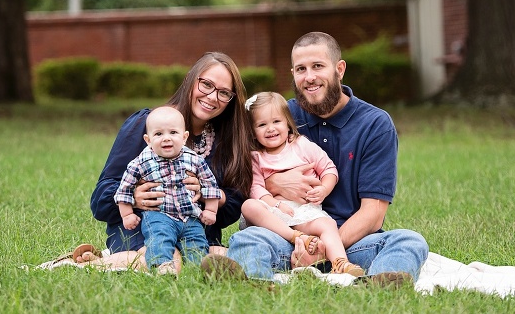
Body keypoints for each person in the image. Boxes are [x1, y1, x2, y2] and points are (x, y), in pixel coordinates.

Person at [202, 32, 429, 286]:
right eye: (301, 69)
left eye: (318, 66)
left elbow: (373, 214)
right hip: (287, 236)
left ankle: (373, 289)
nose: (309, 77)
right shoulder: (279, 117)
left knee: (409, 241)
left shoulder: (374, 124)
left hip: (349, 244)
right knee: (248, 238)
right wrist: (275, 185)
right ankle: (255, 286)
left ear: (339, 69)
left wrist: (321, 251)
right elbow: (248, 177)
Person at [88, 52, 252, 269]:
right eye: (206, 85)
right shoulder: (147, 125)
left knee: (220, 256)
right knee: (168, 258)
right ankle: (83, 264)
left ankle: (103, 260)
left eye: (223, 93)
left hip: (195, 231)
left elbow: (233, 206)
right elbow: (99, 201)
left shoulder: (227, 140)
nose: (212, 97)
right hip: (141, 227)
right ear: (190, 81)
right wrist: (134, 197)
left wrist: (211, 195)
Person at [241, 91, 364, 278]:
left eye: (276, 121)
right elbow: (256, 188)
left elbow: (329, 169)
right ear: (252, 131)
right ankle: (297, 239)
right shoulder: (256, 157)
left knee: (327, 224)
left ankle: (340, 262)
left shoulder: (301, 145)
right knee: (248, 206)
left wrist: (324, 189)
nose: (270, 129)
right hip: (274, 216)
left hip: (304, 213)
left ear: (288, 123)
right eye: (262, 124)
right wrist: (276, 204)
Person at [114, 105, 222, 275]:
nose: (166, 138)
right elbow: (124, 189)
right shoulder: (140, 162)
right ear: (148, 139)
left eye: (173, 133)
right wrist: (127, 214)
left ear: (184, 137)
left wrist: (210, 209)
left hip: (190, 217)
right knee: (159, 239)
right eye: (158, 134)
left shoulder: (194, 159)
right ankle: (162, 266)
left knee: (197, 242)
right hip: (158, 215)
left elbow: (210, 185)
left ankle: (199, 271)